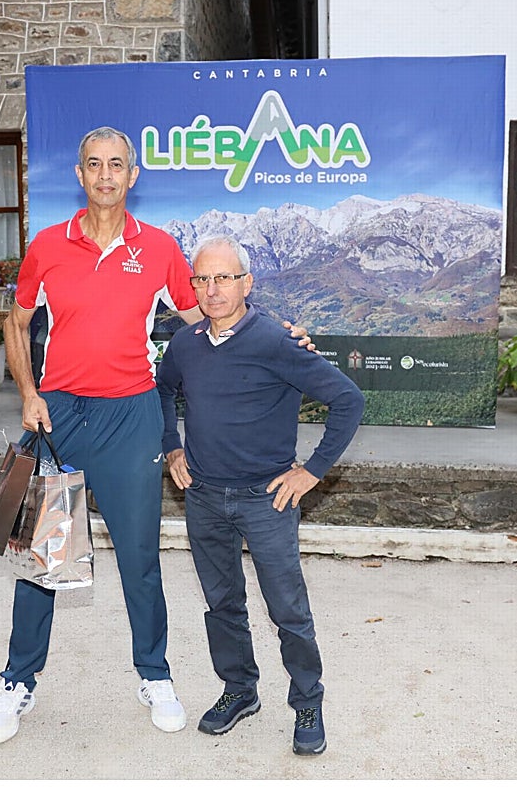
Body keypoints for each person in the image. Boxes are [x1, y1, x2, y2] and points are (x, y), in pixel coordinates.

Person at [0, 126, 314, 746]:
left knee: (140, 561)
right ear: (79, 175)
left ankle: (155, 674)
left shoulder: (160, 248)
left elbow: (213, 321)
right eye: (94, 165)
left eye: (117, 165)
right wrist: (29, 394)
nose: (106, 175)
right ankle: (17, 682)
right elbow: (18, 320)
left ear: (132, 176)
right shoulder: (48, 247)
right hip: (59, 419)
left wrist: (280, 335)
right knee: (42, 559)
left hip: (131, 417)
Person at [156, 235, 364, 757]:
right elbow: (162, 389)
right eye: (202, 279)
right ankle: (240, 691)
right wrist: (171, 448)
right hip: (202, 494)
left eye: (223, 277)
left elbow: (348, 400)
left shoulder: (277, 341)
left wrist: (310, 472)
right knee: (222, 604)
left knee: (287, 608)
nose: (212, 288)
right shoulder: (185, 343)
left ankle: (308, 702)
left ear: (247, 283)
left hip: (266, 500)